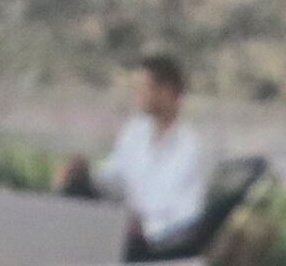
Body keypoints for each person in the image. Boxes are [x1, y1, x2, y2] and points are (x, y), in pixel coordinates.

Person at [83, 53, 211, 243]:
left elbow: (187, 217)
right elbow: (112, 176)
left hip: (158, 245)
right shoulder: (135, 132)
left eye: (145, 88)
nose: (138, 95)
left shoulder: (191, 148)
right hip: (122, 231)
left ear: (166, 91)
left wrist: (143, 229)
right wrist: (83, 173)